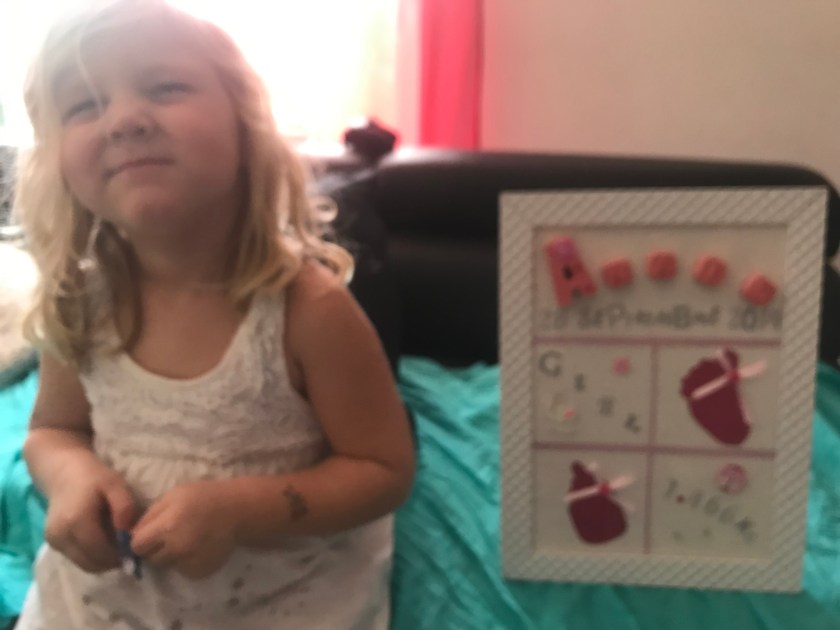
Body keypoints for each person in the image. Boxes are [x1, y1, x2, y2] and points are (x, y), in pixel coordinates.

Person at [14, 0, 415, 627]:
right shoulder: (81, 302)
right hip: (106, 598)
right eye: (85, 105)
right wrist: (70, 478)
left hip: (279, 599)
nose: (125, 119)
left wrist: (241, 509)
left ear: (245, 127)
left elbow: (383, 470)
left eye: (164, 87)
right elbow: (51, 431)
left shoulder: (307, 309)